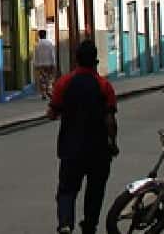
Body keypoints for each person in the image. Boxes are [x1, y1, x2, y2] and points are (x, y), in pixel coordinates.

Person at [49, 40, 118, 234]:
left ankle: (65, 223)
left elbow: (52, 113)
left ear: (76, 60)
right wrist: (113, 143)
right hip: (98, 149)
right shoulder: (104, 86)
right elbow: (110, 121)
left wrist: (60, 111)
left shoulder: (64, 83)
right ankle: (89, 225)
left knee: (67, 189)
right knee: (95, 191)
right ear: (95, 61)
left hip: (71, 147)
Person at [34, 29, 58, 100]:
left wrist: (36, 64)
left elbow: (36, 55)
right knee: (50, 78)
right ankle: (49, 90)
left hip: (41, 64)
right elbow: (52, 54)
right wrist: (54, 63)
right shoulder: (49, 43)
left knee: (42, 79)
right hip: (49, 64)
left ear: (39, 35)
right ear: (45, 35)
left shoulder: (37, 45)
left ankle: (44, 93)